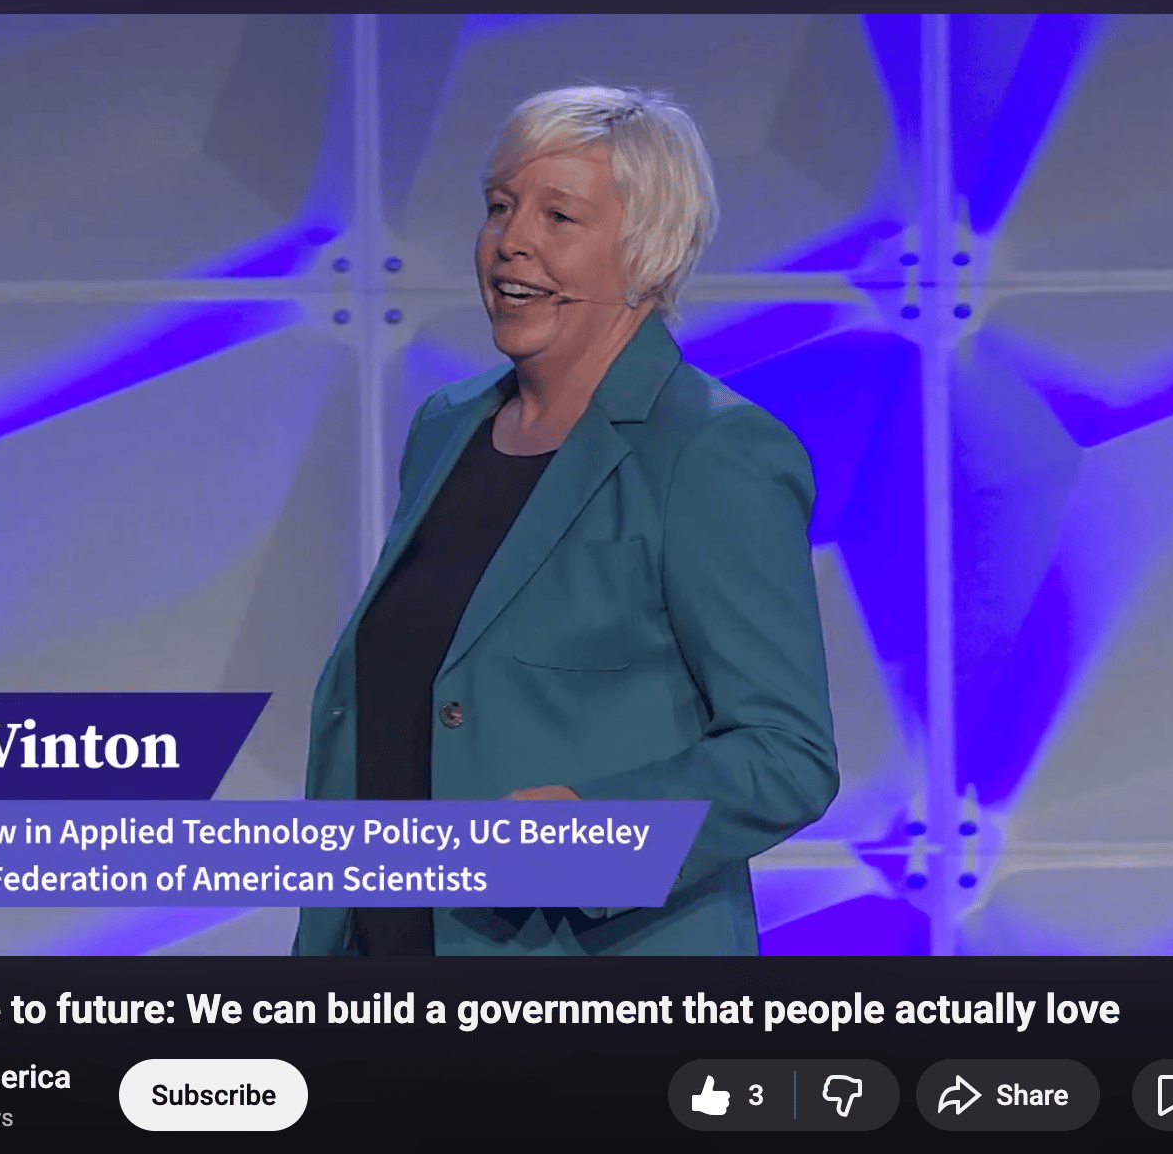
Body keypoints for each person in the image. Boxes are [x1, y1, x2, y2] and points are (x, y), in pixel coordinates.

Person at [294, 84, 838, 956]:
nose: (512, 241)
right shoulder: (447, 425)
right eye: (500, 207)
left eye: (559, 217)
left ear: (647, 253)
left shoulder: (713, 452)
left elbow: (786, 756)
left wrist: (598, 830)